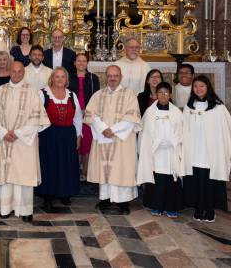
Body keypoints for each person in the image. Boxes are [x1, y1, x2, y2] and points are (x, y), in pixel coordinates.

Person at [0, 61, 50, 222]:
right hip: (4, 140)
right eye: (13, 71)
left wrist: (18, 133)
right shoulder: (0, 91)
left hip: (24, 141)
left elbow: (36, 118)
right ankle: (6, 208)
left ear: (24, 73)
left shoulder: (32, 92)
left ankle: (26, 210)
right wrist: (3, 133)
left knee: (24, 175)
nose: (16, 74)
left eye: (19, 72)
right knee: (6, 175)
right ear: (9, 72)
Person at [84, 65, 142, 215]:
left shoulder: (129, 94)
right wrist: (103, 128)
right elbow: (91, 114)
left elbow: (132, 117)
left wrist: (113, 130)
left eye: (115, 75)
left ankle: (123, 202)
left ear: (121, 77)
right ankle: (106, 199)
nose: (112, 78)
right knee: (105, 170)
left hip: (121, 140)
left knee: (121, 169)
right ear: (106, 77)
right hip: (103, 138)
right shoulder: (98, 95)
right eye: (109, 75)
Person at [182, 75, 231, 223]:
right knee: (196, 179)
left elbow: (228, 125)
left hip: (211, 150)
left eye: (202, 86)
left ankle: (210, 209)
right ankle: (198, 207)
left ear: (208, 88)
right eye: (196, 86)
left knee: (210, 180)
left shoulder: (218, 107)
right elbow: (183, 126)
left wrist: (222, 145)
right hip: (194, 149)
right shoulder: (189, 106)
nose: (198, 89)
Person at [36, 67, 83, 211]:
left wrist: (78, 135)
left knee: (66, 164)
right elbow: (37, 115)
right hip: (49, 134)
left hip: (68, 135)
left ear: (66, 79)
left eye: (63, 77)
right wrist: (37, 134)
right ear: (52, 78)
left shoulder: (72, 95)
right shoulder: (42, 93)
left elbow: (78, 116)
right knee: (49, 165)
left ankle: (65, 193)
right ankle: (48, 197)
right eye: (57, 76)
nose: (60, 79)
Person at [137, 82, 184, 218]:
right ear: (156, 94)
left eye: (166, 92)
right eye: (160, 92)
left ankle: (172, 207)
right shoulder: (150, 112)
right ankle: (156, 206)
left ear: (170, 94)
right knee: (157, 179)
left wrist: (171, 141)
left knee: (171, 179)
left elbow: (181, 130)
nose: (163, 95)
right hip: (155, 152)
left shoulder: (176, 112)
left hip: (171, 150)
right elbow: (145, 132)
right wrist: (157, 142)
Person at [68, 53, 100, 181]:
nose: (81, 63)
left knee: (87, 143)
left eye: (84, 61)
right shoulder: (69, 78)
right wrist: (75, 111)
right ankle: (75, 171)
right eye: (79, 61)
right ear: (75, 63)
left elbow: (97, 96)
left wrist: (87, 110)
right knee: (75, 143)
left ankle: (86, 171)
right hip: (72, 115)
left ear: (87, 63)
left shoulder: (93, 78)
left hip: (88, 114)